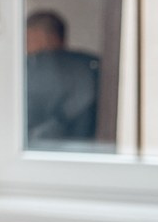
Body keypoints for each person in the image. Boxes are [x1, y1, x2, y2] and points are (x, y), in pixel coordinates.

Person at [24, 10, 101, 146]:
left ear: (47, 37)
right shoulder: (92, 64)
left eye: (29, 40)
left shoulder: (36, 67)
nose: (25, 47)